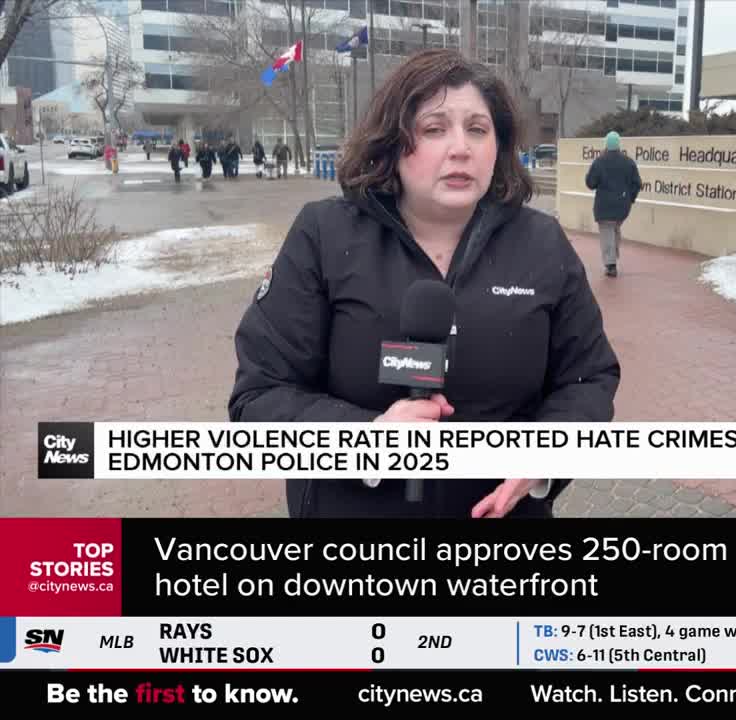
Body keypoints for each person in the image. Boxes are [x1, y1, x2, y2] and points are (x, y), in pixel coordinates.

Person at [227, 49, 621, 519]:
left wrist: (546, 456)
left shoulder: (541, 244)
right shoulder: (324, 236)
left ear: (499, 145)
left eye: (477, 129)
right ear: (393, 142)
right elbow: (260, 395)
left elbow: (588, 377)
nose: (461, 148)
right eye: (435, 129)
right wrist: (365, 440)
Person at [584, 131, 641, 277]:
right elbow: (637, 184)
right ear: (619, 145)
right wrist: (630, 199)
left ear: (606, 145)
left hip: (604, 206)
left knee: (607, 231)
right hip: (622, 206)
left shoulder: (599, 162)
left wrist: (588, 176)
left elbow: (590, 183)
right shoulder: (628, 162)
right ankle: (613, 256)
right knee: (614, 228)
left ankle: (610, 264)